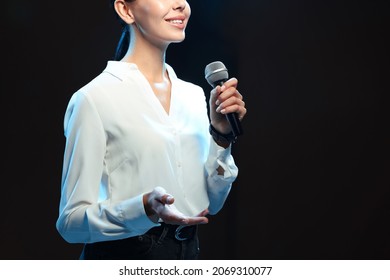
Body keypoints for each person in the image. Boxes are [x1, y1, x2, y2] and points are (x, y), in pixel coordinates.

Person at [56, 0, 247, 260]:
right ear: (125, 10)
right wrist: (144, 208)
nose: (181, 5)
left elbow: (212, 204)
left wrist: (221, 136)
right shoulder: (93, 98)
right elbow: (70, 223)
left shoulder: (193, 96)